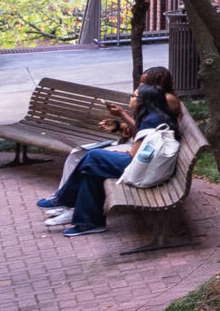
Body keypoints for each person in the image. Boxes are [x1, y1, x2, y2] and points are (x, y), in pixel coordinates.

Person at [41, 65, 182, 236]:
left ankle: (64, 199)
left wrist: (115, 152)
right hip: (143, 164)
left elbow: (133, 156)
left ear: (145, 100)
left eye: (134, 96)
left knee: (92, 157)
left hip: (140, 169)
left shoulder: (152, 119)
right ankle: (88, 222)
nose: (130, 98)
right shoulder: (154, 116)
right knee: (90, 170)